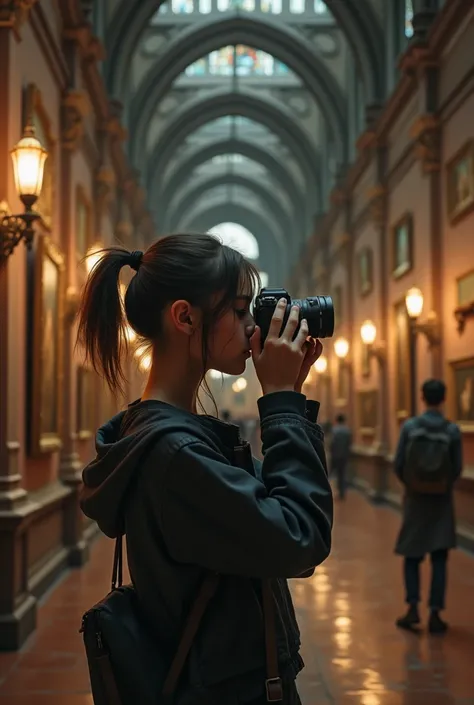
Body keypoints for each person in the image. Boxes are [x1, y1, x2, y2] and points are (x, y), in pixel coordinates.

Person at [77, 233, 333, 704]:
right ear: (184, 316)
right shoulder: (175, 454)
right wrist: (279, 402)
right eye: (238, 311)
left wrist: (289, 396)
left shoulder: (172, 435)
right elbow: (302, 536)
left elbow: (280, 510)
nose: (251, 326)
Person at [394, 379, 463, 634]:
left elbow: (398, 463)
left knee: (412, 556)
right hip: (441, 502)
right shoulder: (452, 430)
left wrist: (413, 485)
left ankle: (412, 609)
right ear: (443, 399)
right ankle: (435, 613)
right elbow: (456, 468)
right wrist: (441, 486)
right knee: (439, 558)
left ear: (422, 397)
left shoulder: (410, 427)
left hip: (415, 500)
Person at [329, 414, 352, 500]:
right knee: (342, 474)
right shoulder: (347, 431)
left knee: (331, 473)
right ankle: (342, 492)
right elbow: (349, 444)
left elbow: (331, 443)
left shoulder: (334, 430)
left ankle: (328, 492)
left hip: (335, 455)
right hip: (344, 456)